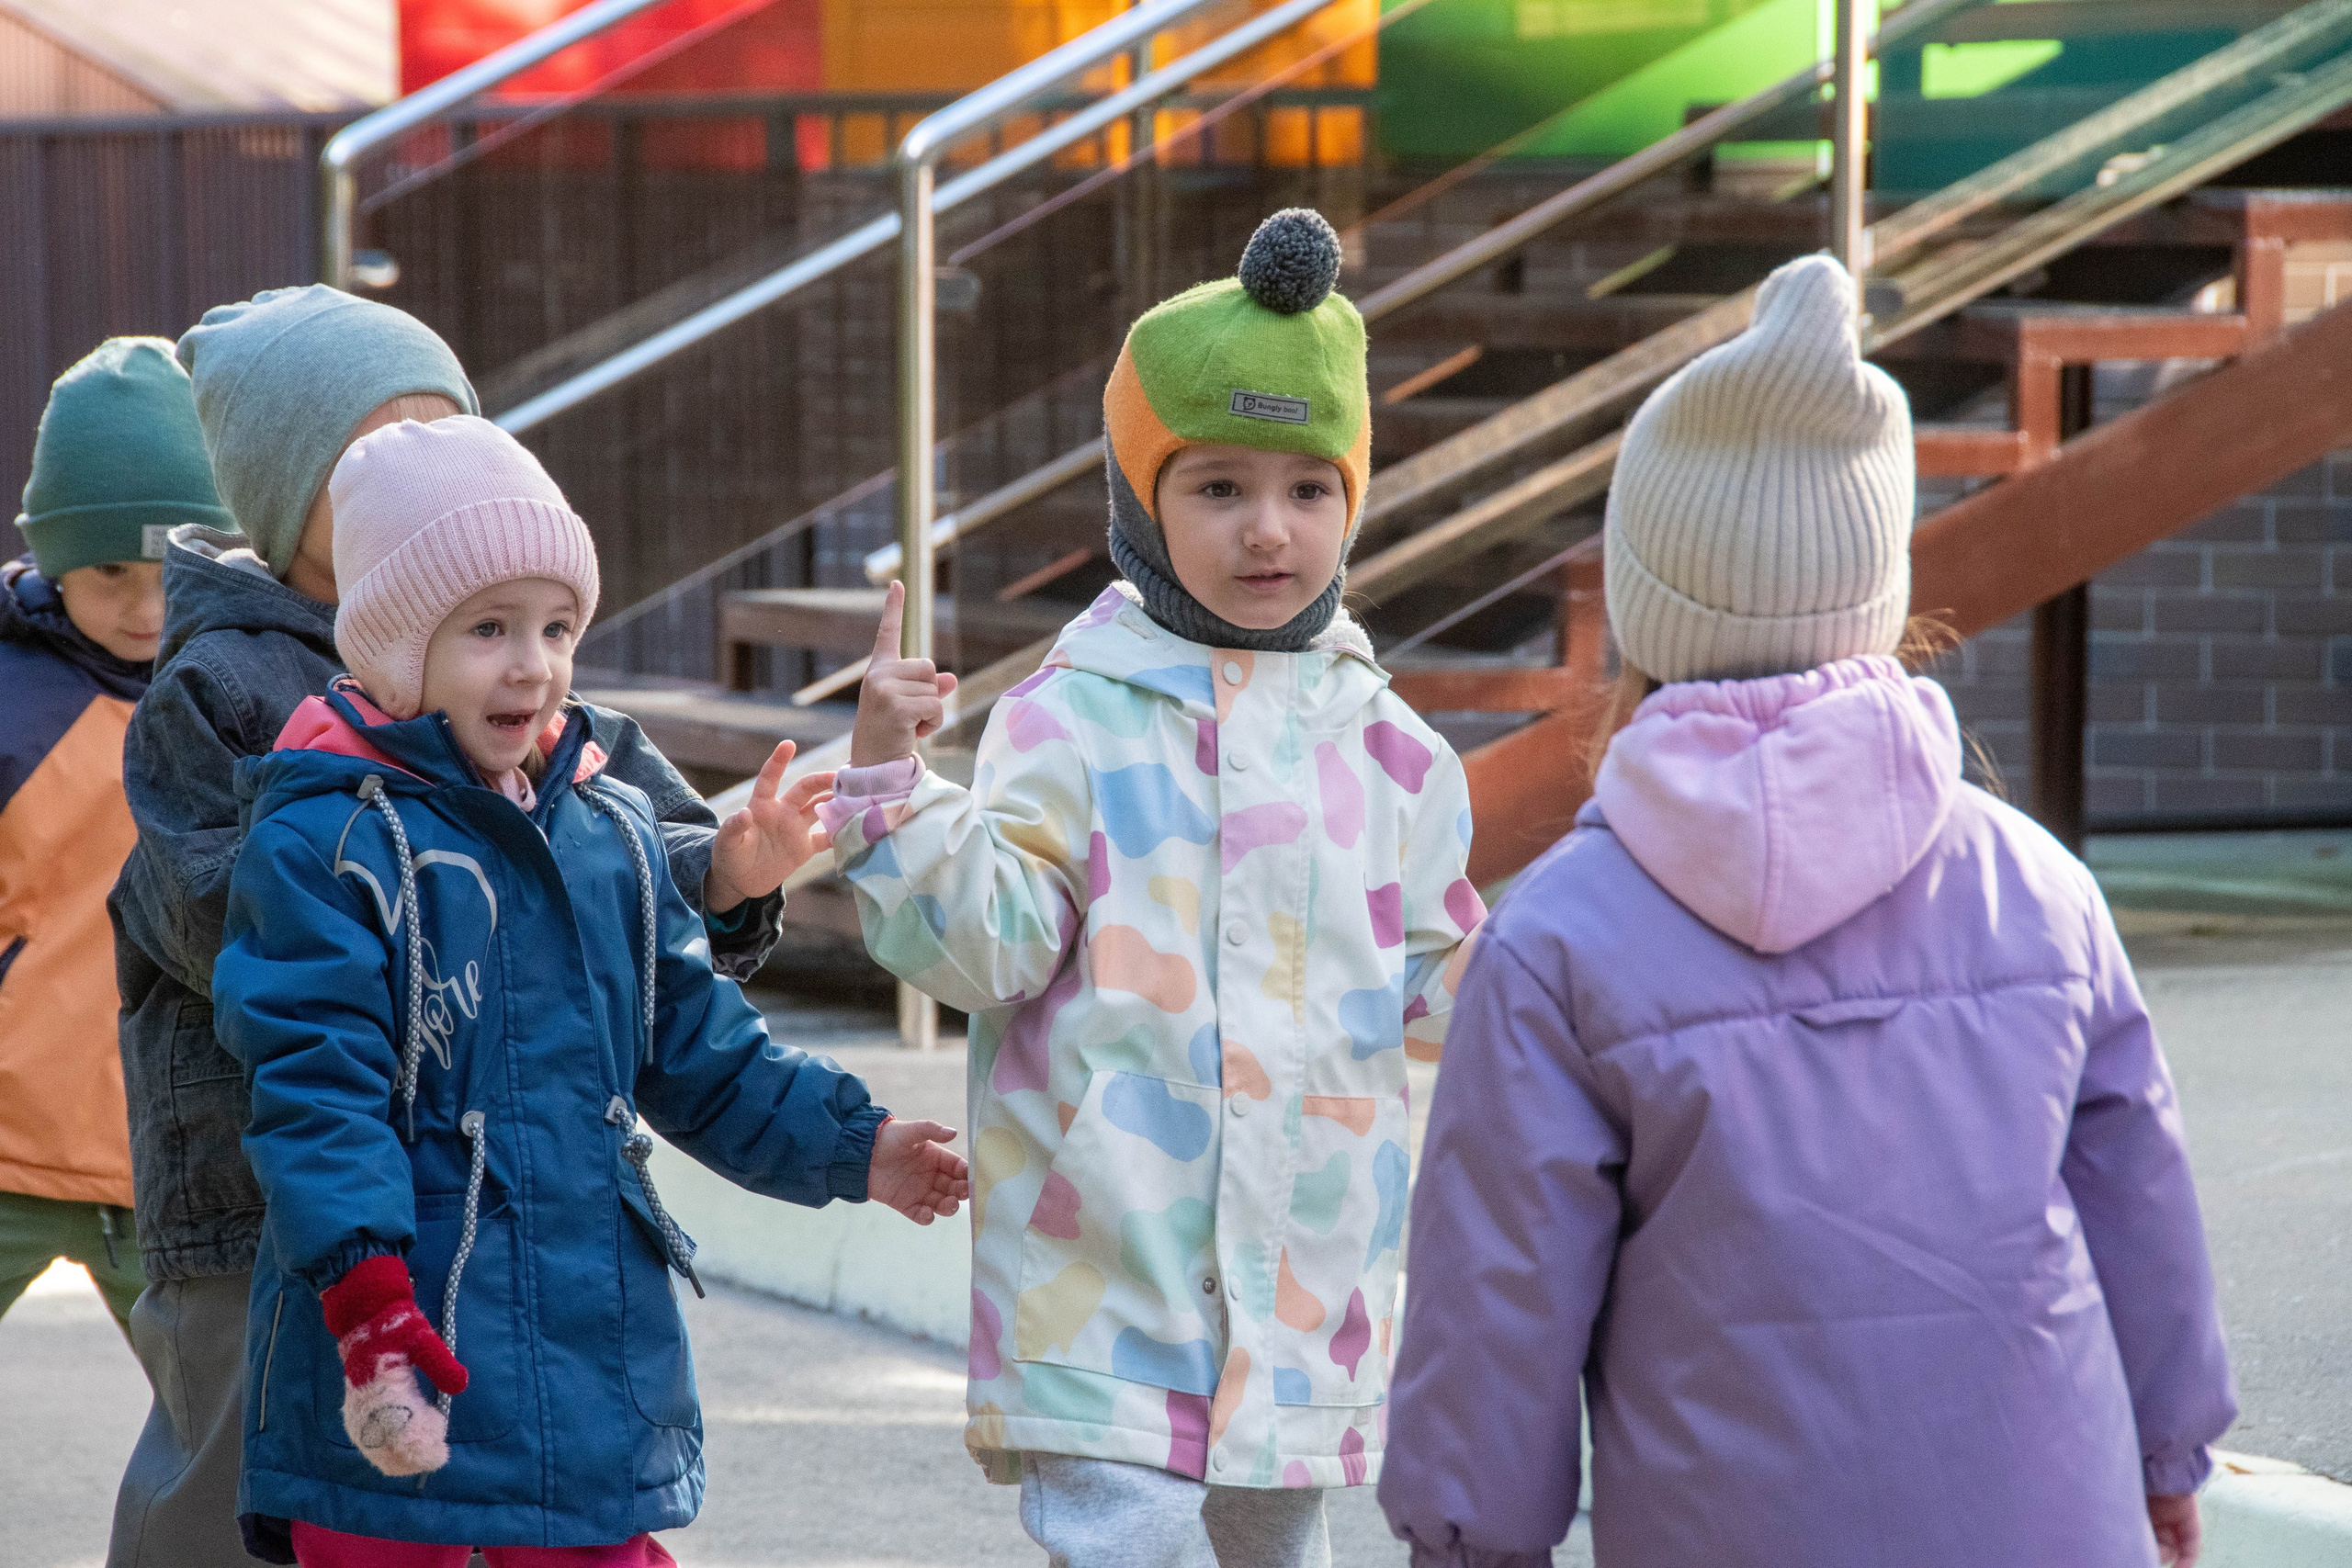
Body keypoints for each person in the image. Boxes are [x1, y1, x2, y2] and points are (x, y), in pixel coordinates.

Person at [1377, 254, 2237, 1568]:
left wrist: (1471, 1535)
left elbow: (1500, 1289)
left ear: (1644, 610)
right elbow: (2140, 1198)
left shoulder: (1559, 943)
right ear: (1876, 594)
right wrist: (2169, 1452)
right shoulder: (2038, 890)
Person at [107, 287, 811, 1568]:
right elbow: (240, 925)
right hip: (256, 1177)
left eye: (447, 431)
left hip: (480, 1189)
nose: (417, 468)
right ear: (281, 495)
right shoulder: (219, 689)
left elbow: (635, 858)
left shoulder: (511, 661)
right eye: (372, 450)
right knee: (235, 1474)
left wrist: (729, 868)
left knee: (482, 1495)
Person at [820, 209, 1484, 1568]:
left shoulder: (1393, 751)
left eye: (1309, 488)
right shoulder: (1076, 719)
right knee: (1129, 1539)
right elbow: (993, 940)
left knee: (1270, 1546)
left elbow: (1447, 976)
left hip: (1300, 1279)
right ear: (1139, 500)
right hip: (1100, 1265)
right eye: (1217, 485)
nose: (1267, 528)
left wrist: (1552, 990)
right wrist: (894, 785)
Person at [211, 412, 970, 1562]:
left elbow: (701, 1051)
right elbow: (317, 1089)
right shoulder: (331, 840)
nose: (533, 661)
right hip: (401, 1351)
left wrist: (853, 1146)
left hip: (590, 1371)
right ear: (395, 649)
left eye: (558, 626)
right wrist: (369, 1308)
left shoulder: (606, 827)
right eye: (488, 629)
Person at [1, 339, 230, 1333]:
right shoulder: (13, 697)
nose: (145, 607)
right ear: (54, 556)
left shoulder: (249, 693)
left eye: (174, 570)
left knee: (226, 1429)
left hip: (180, 1154)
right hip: (9, 1143)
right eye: (107, 570)